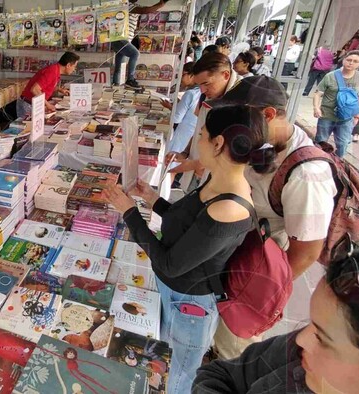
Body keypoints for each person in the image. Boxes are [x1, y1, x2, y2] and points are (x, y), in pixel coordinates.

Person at [105, 105, 269, 394]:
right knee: (160, 355)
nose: (198, 141)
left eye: (202, 135)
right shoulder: (217, 180)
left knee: (177, 376)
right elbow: (189, 225)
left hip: (189, 305)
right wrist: (153, 199)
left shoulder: (230, 206)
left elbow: (171, 264)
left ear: (218, 143)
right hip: (175, 293)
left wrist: (129, 212)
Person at [209, 76, 336, 360]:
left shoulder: (308, 174)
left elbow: (306, 253)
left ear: (267, 115)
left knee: (233, 350)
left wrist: (257, 296)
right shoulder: (261, 141)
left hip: (253, 274)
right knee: (217, 335)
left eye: (237, 119)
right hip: (232, 257)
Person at [194, 248, 359, 393]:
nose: (300, 339)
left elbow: (307, 250)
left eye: (323, 339)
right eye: (311, 324)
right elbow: (219, 375)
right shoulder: (299, 353)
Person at [168, 52, 240, 192]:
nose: (202, 90)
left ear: (225, 75)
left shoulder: (241, 103)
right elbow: (199, 130)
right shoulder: (206, 96)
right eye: (199, 84)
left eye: (206, 83)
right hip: (197, 174)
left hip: (219, 183)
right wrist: (185, 153)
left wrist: (196, 164)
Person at [314, 50, 359, 157]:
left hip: (346, 118)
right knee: (320, 142)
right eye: (349, 60)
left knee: (342, 144)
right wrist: (316, 108)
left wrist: (357, 115)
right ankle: (317, 160)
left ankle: (339, 164)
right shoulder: (330, 76)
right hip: (326, 115)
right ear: (344, 60)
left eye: (355, 61)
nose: (351, 63)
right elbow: (318, 93)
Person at [111, 0, 168, 87]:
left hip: (124, 39)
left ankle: (116, 85)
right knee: (135, 54)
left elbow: (143, 11)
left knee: (120, 66)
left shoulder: (135, 5)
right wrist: (161, 4)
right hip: (119, 38)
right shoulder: (125, 4)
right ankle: (130, 79)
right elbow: (145, 10)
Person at [17, 52, 79, 118]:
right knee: (28, 127)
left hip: (33, 104)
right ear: (68, 65)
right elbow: (35, 89)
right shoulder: (52, 71)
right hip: (28, 104)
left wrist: (59, 89)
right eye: (74, 66)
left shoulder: (56, 70)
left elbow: (46, 86)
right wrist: (48, 104)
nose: (74, 69)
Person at [163, 62, 200, 157]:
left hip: (183, 135)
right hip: (192, 135)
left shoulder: (190, 94)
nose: (181, 78)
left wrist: (170, 107)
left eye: (183, 74)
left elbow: (176, 118)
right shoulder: (199, 92)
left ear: (192, 76)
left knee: (172, 159)